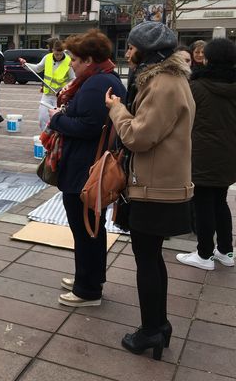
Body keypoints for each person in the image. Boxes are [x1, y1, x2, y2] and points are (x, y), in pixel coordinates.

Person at [105, 21, 195, 360]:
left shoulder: (161, 84)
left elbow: (139, 137)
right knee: (152, 258)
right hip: (162, 183)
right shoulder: (173, 79)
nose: (127, 53)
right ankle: (158, 325)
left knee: (147, 260)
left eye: (131, 48)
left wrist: (116, 109)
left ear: (147, 52)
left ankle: (151, 330)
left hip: (155, 188)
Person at [46, 29, 126, 308]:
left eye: (75, 59)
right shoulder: (105, 78)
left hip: (85, 168)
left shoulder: (96, 83)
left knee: (86, 229)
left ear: (90, 59)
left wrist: (57, 119)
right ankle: (89, 277)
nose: (71, 64)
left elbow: (89, 127)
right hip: (91, 165)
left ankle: (88, 290)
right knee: (91, 227)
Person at [176, 38, 236, 270]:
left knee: (202, 204)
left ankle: (204, 254)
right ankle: (225, 251)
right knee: (220, 201)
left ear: (209, 59)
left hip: (201, 154)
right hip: (229, 154)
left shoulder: (196, 87)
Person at [19, 39, 75, 131]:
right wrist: (26, 65)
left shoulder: (68, 61)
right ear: (53, 50)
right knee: (42, 118)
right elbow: (37, 68)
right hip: (47, 95)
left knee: (58, 120)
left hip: (60, 96)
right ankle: (45, 138)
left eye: (60, 54)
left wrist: (65, 89)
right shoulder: (47, 58)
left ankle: (55, 138)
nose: (58, 56)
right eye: (56, 54)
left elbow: (73, 79)